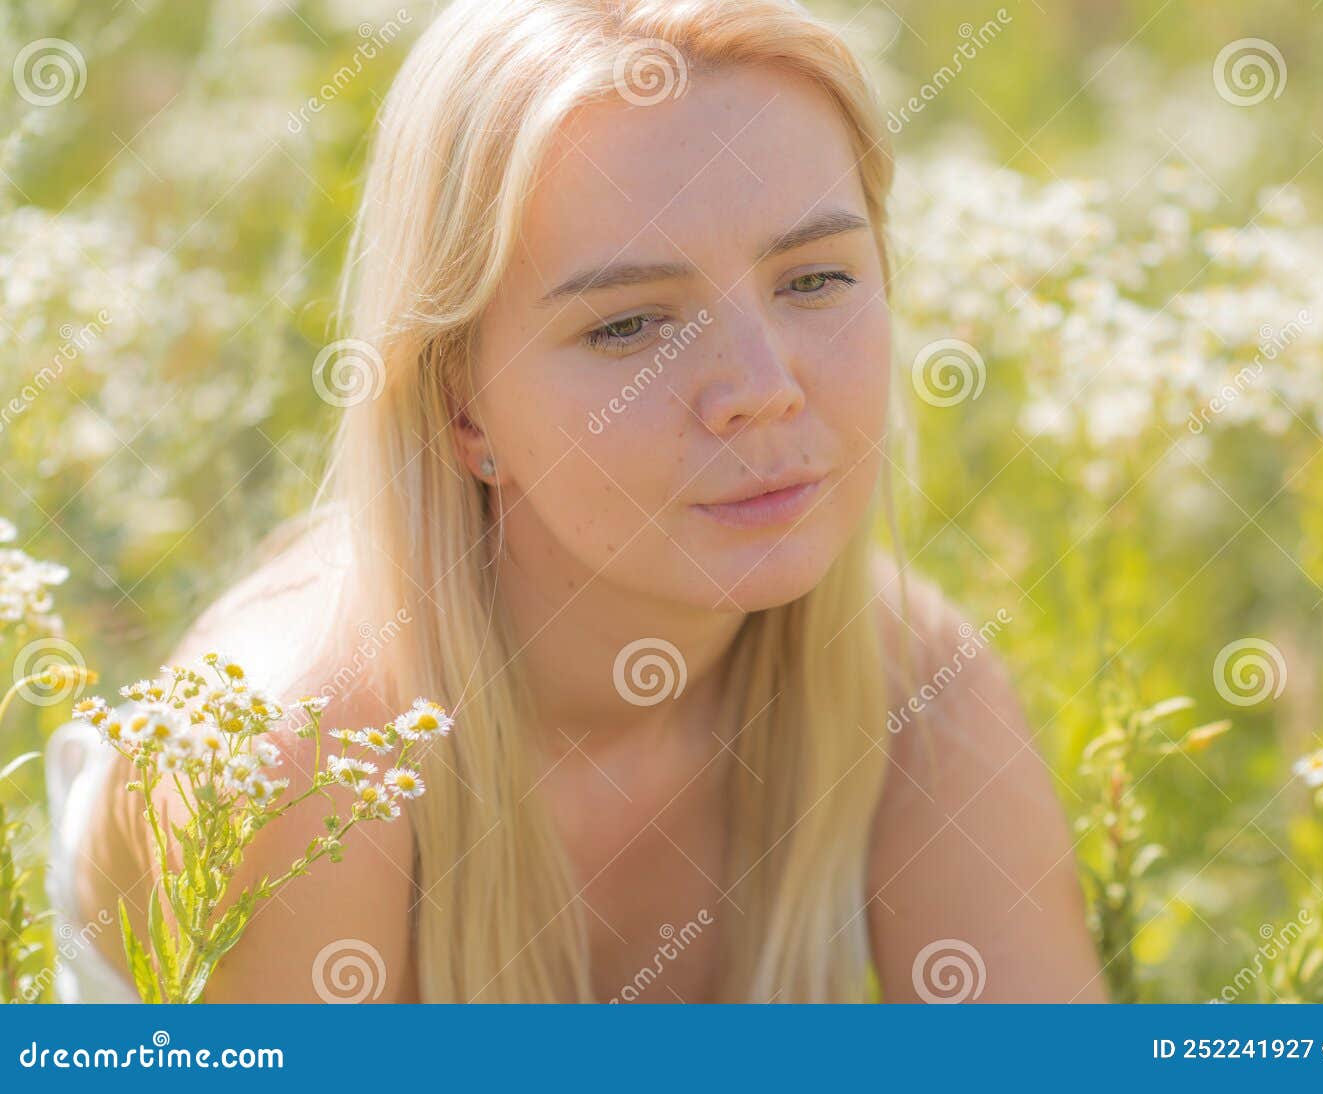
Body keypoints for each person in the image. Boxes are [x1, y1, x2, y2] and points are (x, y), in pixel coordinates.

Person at [66, 0, 1105, 1003]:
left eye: (813, 279)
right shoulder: (298, 758)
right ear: (460, 406)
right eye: (630, 326)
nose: (761, 386)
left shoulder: (910, 686)